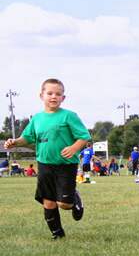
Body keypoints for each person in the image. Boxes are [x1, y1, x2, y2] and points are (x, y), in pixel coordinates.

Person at [3, 78, 90, 239]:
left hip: (66, 165)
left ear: (63, 98)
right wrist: (14, 142)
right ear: (41, 95)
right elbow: (27, 137)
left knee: (64, 204)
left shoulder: (69, 116)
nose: (53, 96)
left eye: (58, 94)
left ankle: (74, 197)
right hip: (44, 165)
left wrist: (73, 148)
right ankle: (57, 234)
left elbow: (84, 137)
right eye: (49, 93)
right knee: (48, 201)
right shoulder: (37, 119)